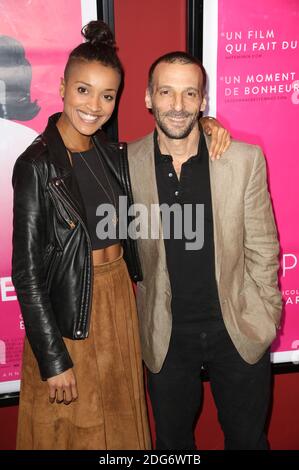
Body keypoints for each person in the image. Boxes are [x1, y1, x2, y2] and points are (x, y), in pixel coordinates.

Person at [12, 22, 228, 450]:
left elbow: (171, 139)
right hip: (71, 312)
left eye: (107, 95)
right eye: (84, 90)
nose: (95, 106)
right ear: (62, 86)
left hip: (118, 304)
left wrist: (209, 124)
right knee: (76, 432)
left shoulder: (114, 155)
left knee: (121, 427)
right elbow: (28, 274)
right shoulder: (35, 164)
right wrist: (53, 359)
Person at [125, 51, 282, 450]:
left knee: (247, 441)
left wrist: (266, 313)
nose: (177, 106)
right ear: (148, 97)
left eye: (189, 94)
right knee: (172, 445)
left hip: (237, 327)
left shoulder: (243, 160)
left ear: (203, 101)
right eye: (166, 92)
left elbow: (264, 246)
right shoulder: (125, 162)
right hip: (166, 334)